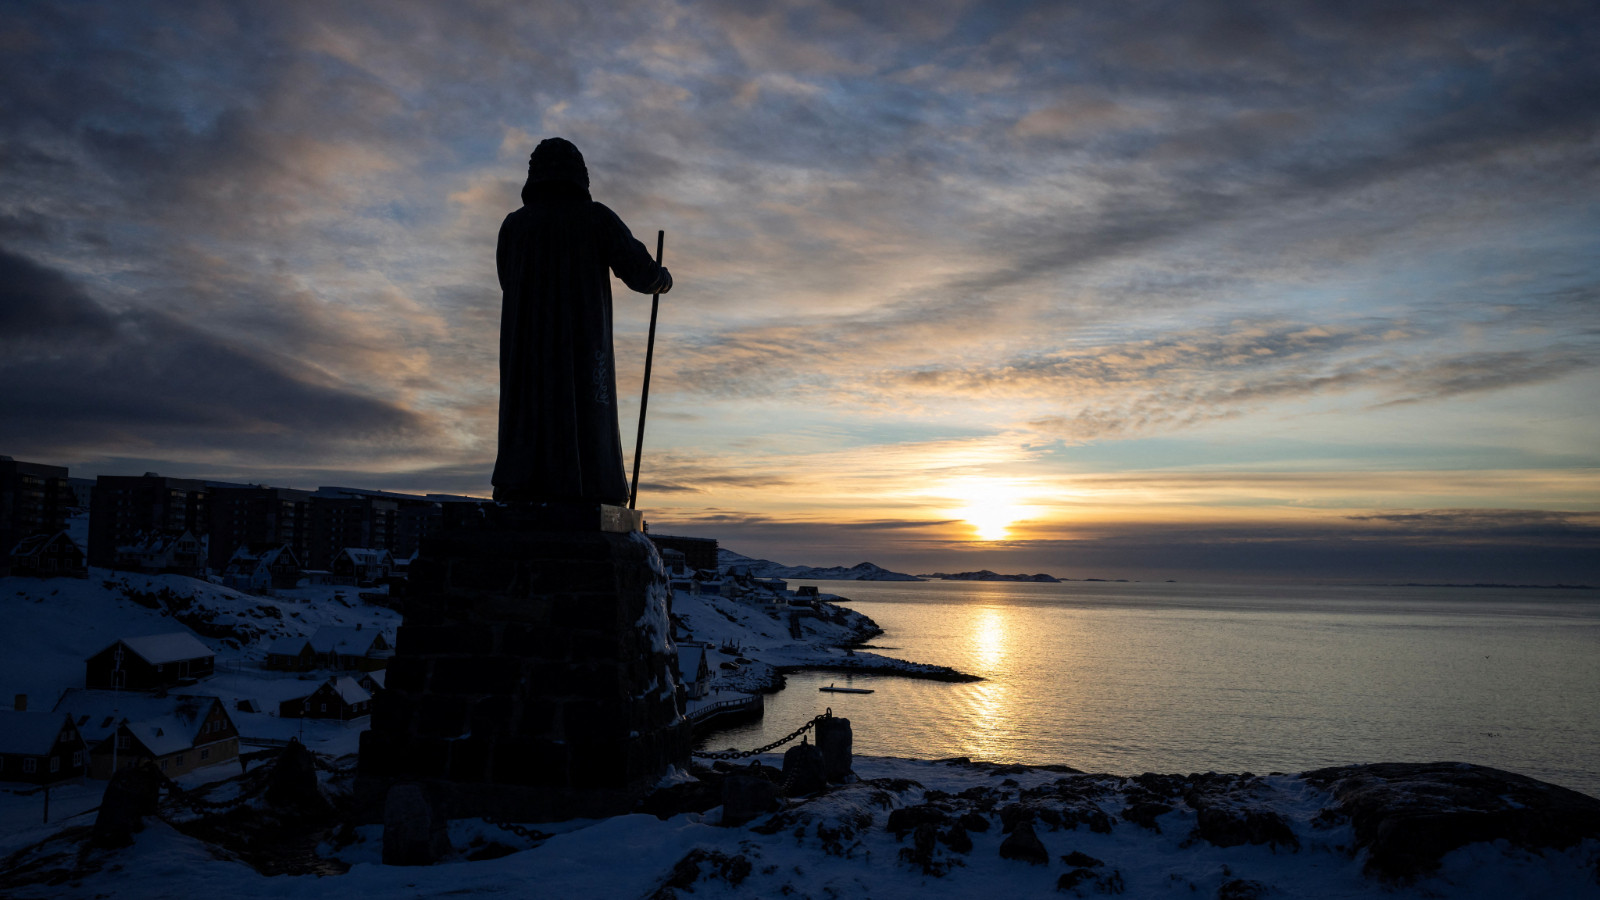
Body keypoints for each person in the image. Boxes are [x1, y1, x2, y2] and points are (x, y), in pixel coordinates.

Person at [492, 137, 672, 506]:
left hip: (526, 348)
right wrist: (662, 279)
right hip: (582, 341)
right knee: (588, 407)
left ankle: (522, 485)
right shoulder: (595, 218)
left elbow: (506, 280)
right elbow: (640, 272)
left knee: (529, 408)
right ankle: (589, 487)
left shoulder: (515, 226)